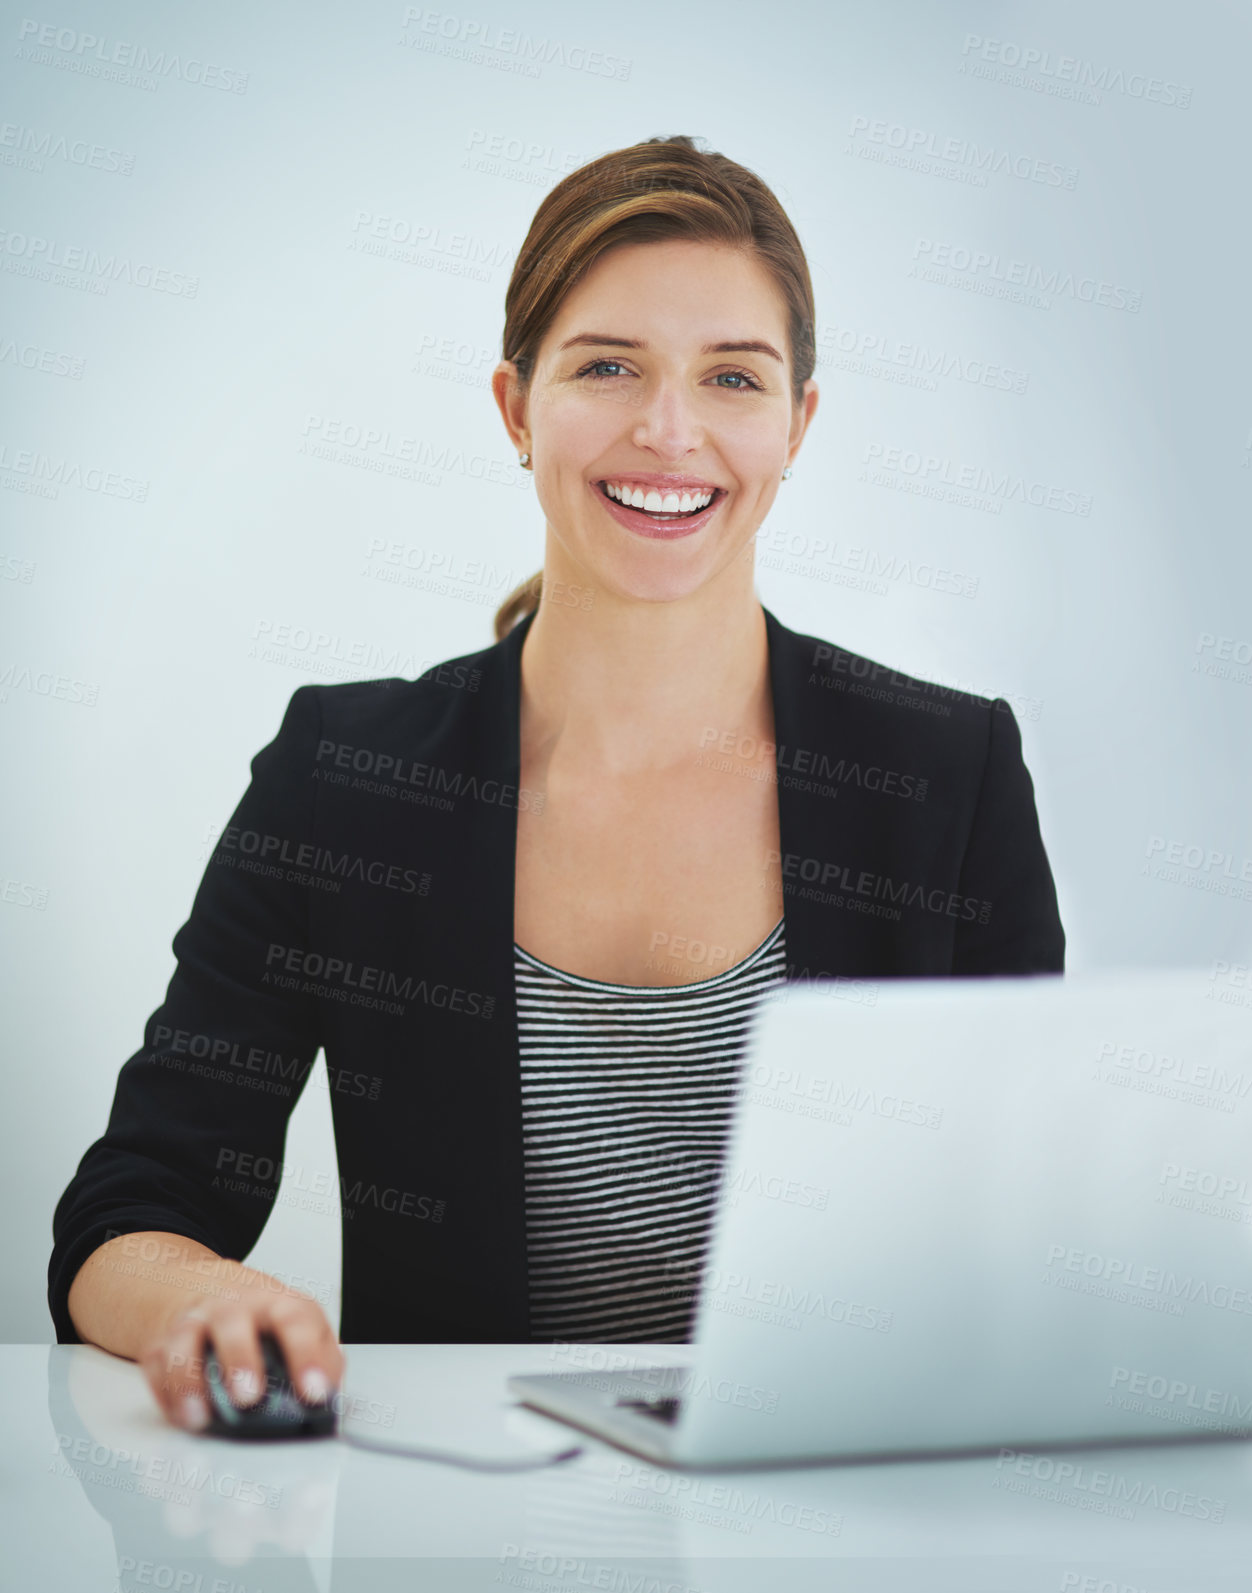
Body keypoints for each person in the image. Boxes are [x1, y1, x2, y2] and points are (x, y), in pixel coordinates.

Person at [48, 134, 1065, 1434]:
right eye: (606, 365)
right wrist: (194, 1298)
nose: (668, 429)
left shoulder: (943, 775)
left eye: (731, 377)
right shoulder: (344, 780)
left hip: (841, 1525)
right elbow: (133, 1207)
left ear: (796, 424)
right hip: (467, 1528)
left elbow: (1032, 1224)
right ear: (516, 407)